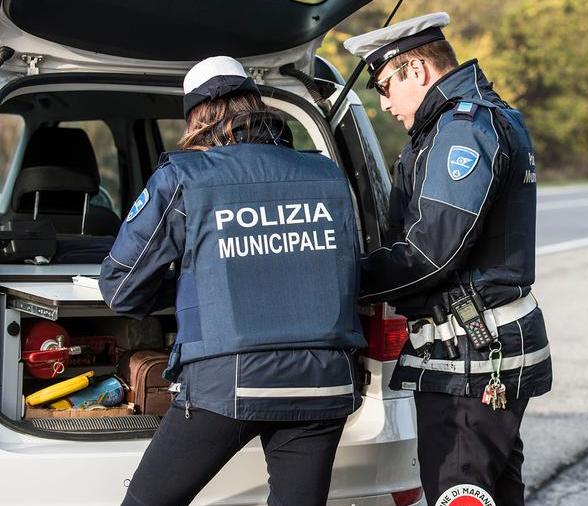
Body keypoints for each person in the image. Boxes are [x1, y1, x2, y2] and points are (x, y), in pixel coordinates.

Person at [99, 56, 366, 506]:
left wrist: (189, 284)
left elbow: (121, 287)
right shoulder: (327, 173)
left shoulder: (183, 177)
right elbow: (348, 266)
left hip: (230, 383)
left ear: (196, 116)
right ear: (255, 103)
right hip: (326, 380)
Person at [344, 12, 552, 506]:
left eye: (385, 85)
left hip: (469, 358)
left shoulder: (463, 128)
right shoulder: (467, 120)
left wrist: (342, 281)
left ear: (416, 70)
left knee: (460, 491)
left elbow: (429, 252)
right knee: (494, 492)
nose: (385, 103)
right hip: (473, 354)